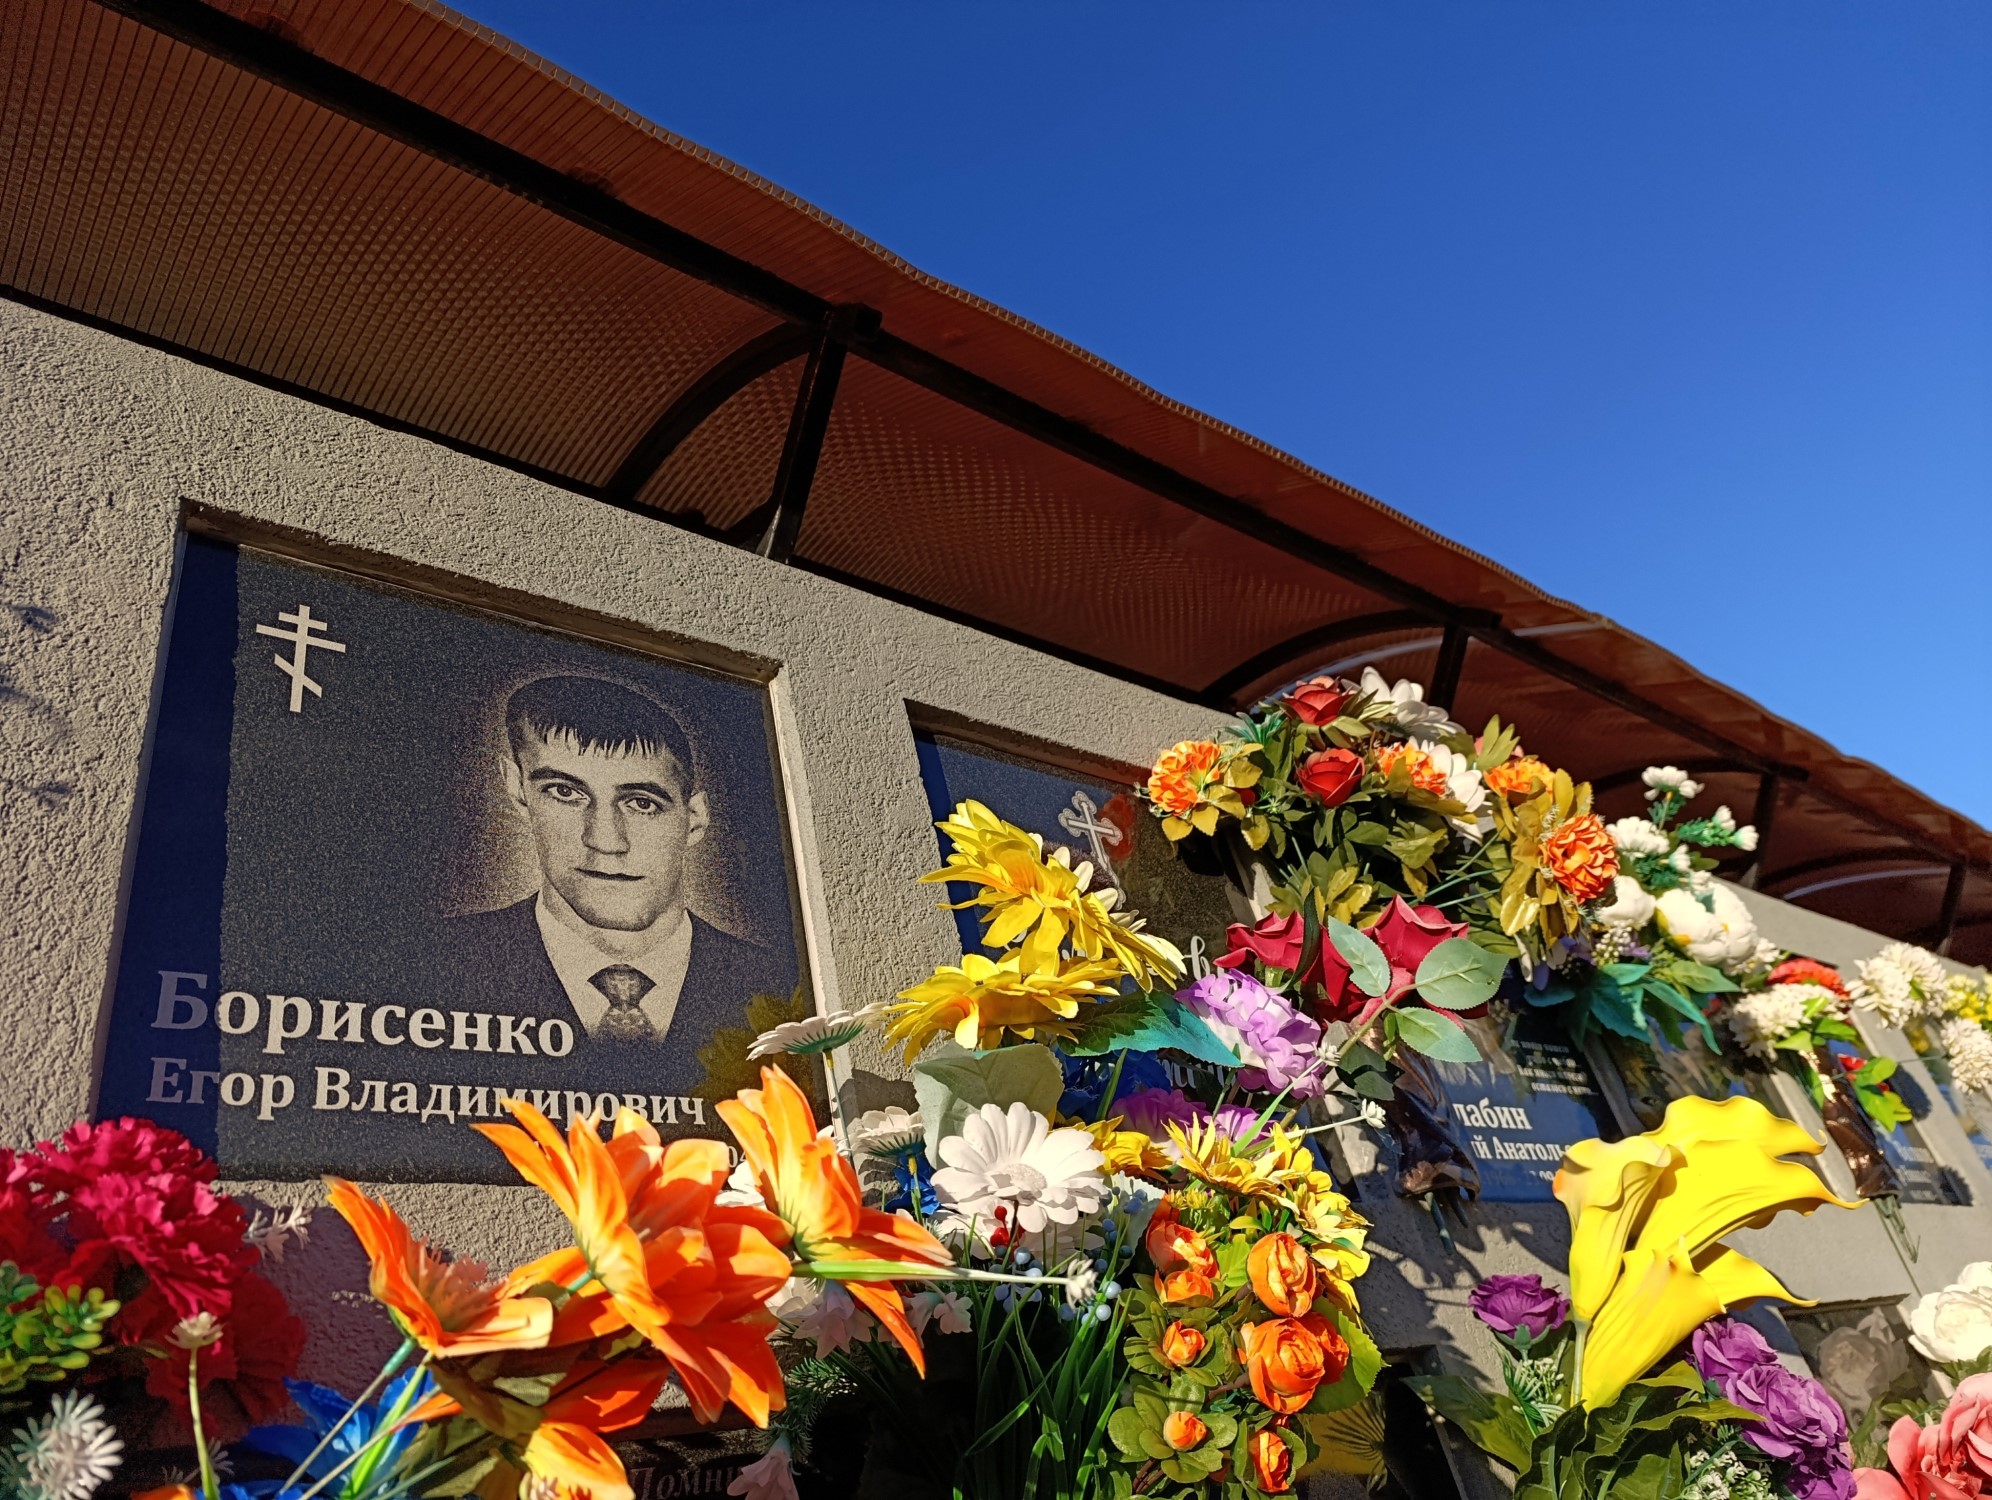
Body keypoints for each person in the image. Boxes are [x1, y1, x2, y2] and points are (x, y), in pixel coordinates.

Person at [443, 674, 795, 1097]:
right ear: (517, 789)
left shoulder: (782, 988)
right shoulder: (431, 963)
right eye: (564, 792)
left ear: (694, 818)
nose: (606, 841)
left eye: (642, 803)